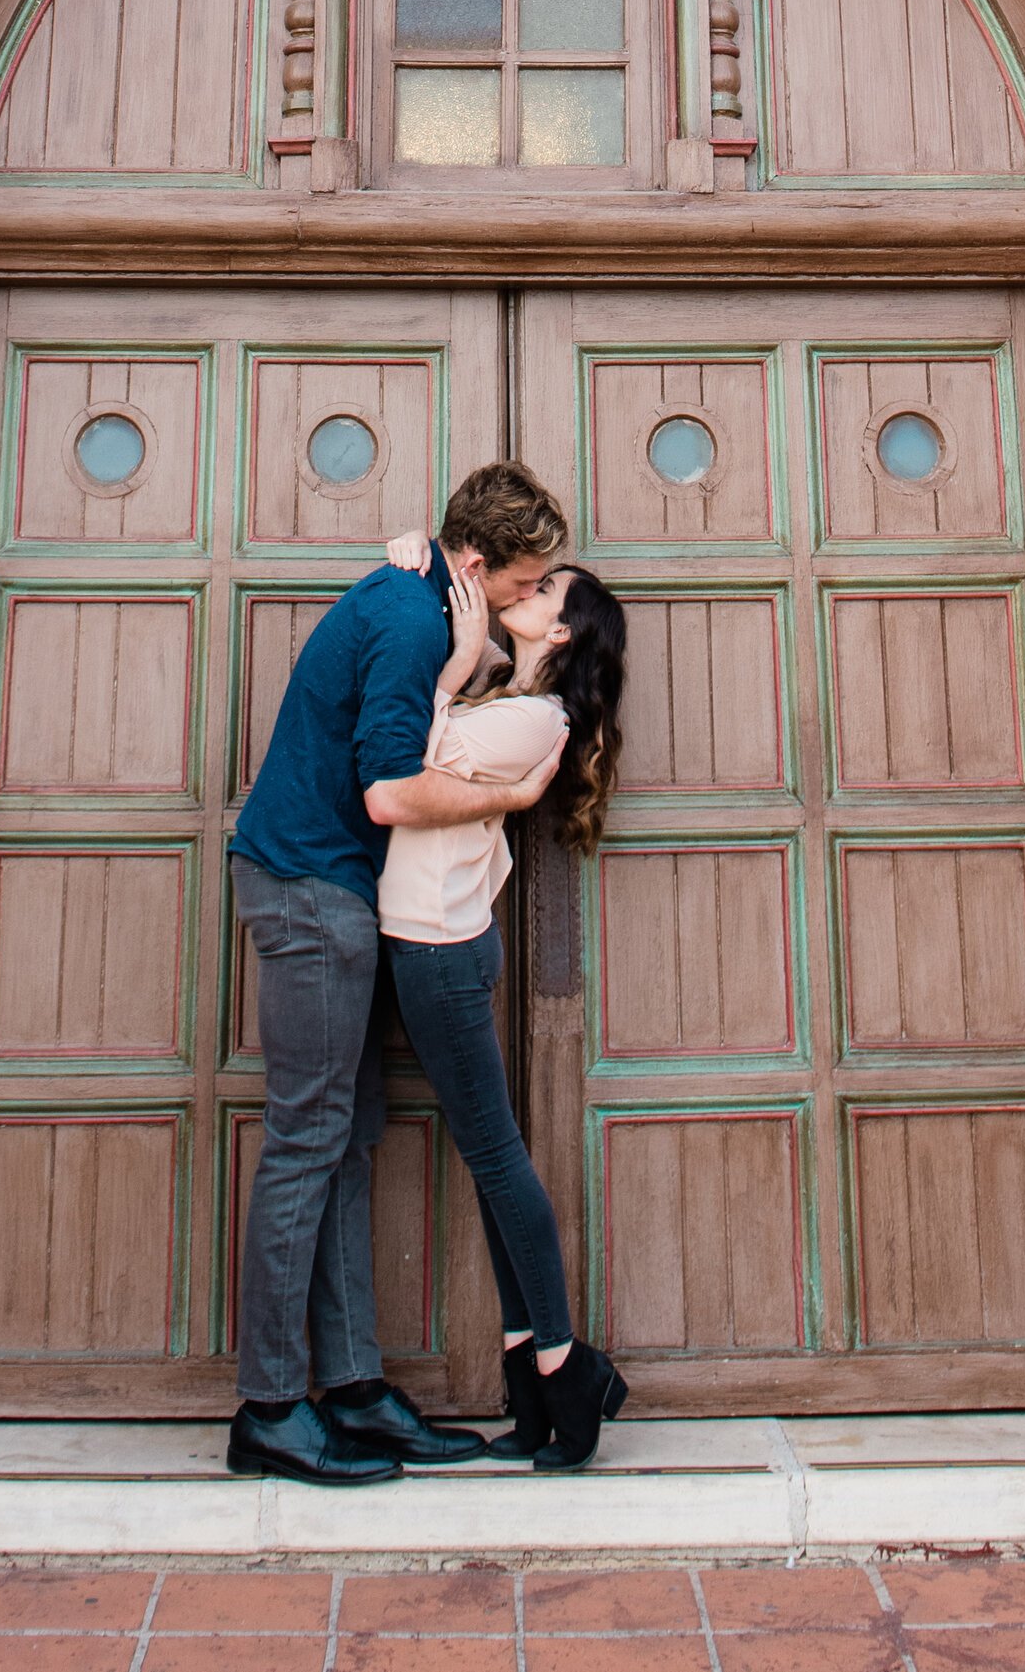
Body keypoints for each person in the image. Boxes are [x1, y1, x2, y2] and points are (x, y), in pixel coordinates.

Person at [224, 458, 570, 1488]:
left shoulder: (416, 595)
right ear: (474, 561)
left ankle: (355, 1388)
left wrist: (464, 661)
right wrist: (508, 795)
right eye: (522, 577)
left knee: (346, 1140)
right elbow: (387, 793)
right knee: (306, 1140)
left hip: (337, 897)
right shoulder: (418, 620)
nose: (526, 593)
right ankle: (272, 1407)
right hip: (309, 887)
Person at [379, 532, 633, 1471]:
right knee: (493, 1163)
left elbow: (413, 745)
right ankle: (535, 1377)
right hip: (430, 943)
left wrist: (446, 662)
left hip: (440, 950)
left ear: (562, 627)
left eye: (545, 587)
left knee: (498, 1159)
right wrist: (421, 551)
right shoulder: (508, 689)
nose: (523, 588)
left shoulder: (539, 717)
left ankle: (567, 1363)